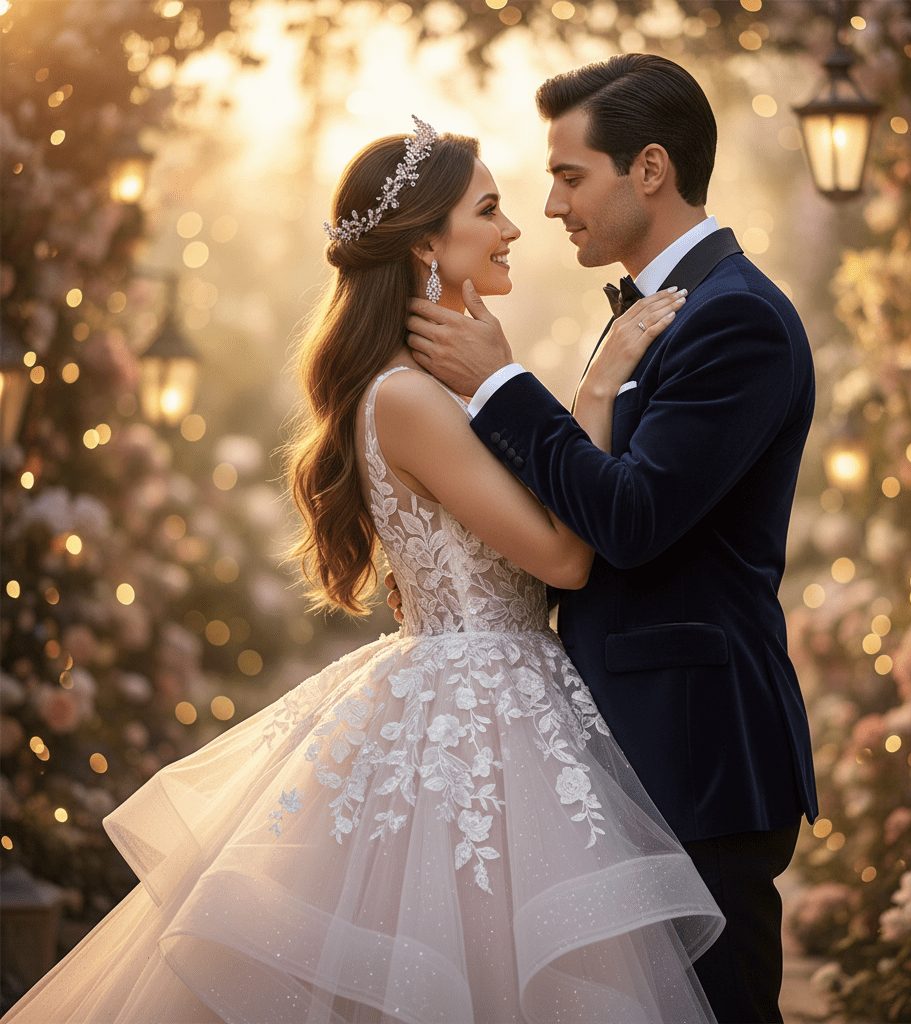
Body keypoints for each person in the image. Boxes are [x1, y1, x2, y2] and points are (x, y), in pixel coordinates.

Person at [1, 117, 725, 1024]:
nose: (513, 229)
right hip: (480, 712)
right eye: (490, 209)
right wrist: (597, 384)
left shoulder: (432, 385)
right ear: (427, 241)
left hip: (494, 687)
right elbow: (567, 557)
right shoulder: (411, 396)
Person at [400, 55, 820, 1024]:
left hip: (695, 751)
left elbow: (630, 520)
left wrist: (503, 389)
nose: (550, 206)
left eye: (569, 174)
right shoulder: (656, 313)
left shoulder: (737, 319)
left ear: (650, 169)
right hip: (621, 746)